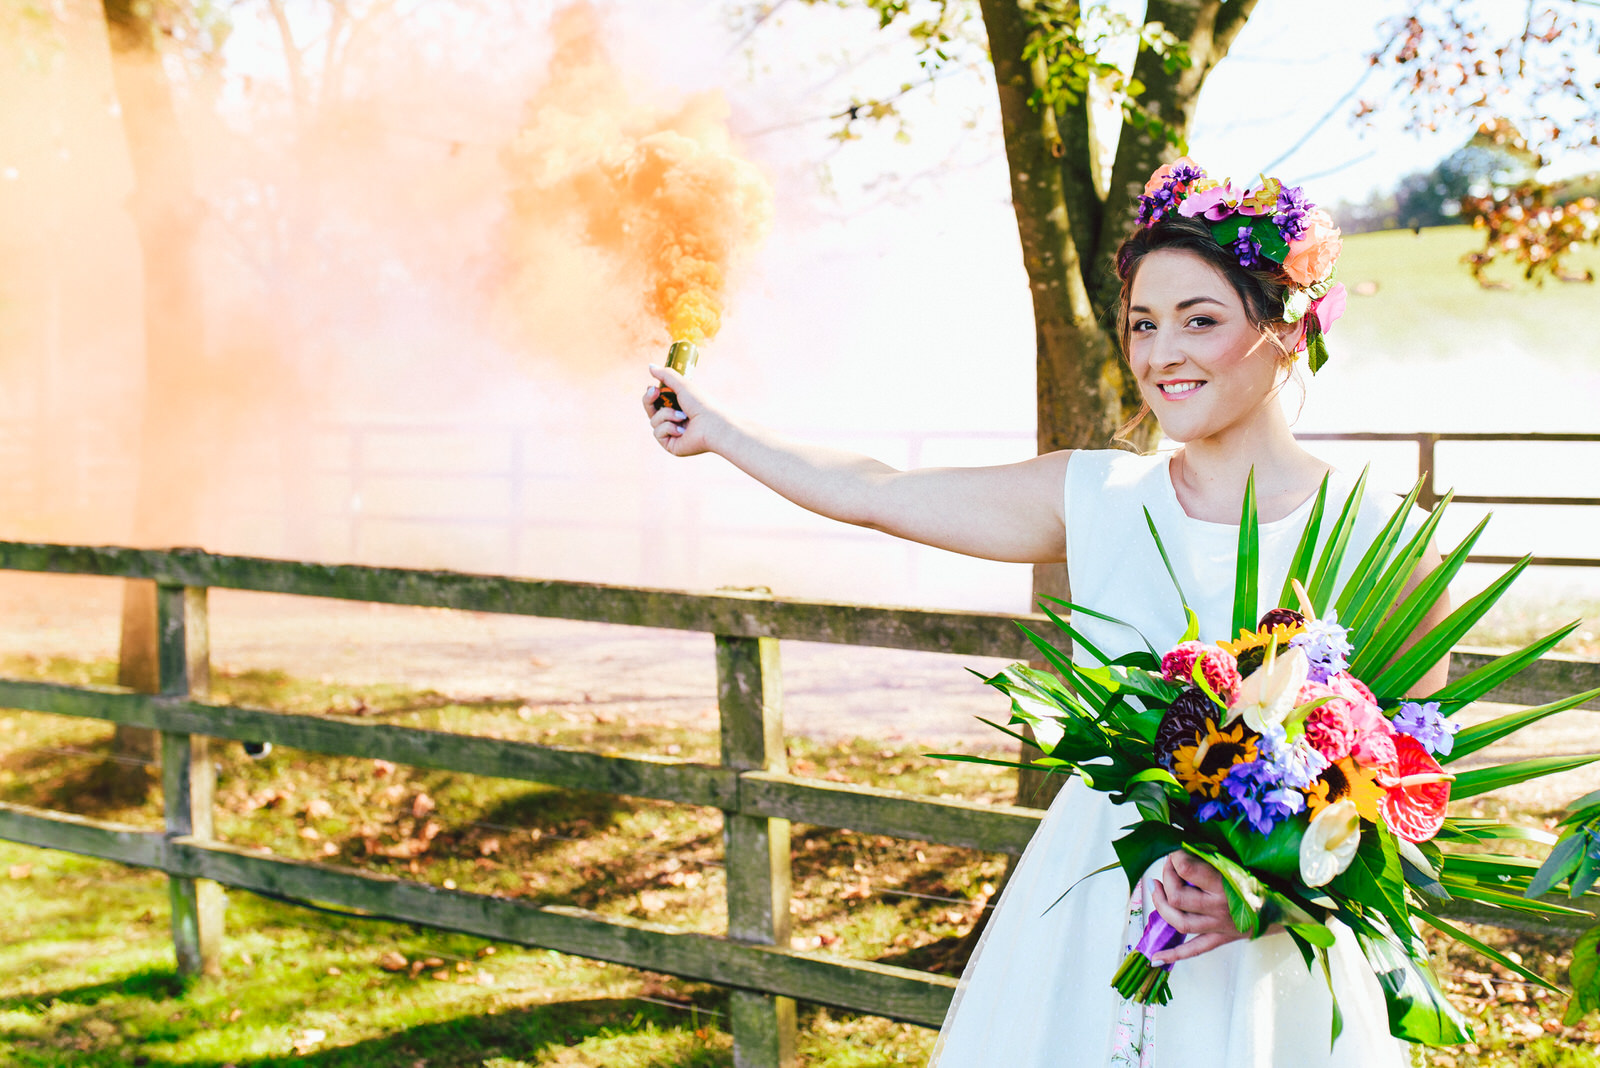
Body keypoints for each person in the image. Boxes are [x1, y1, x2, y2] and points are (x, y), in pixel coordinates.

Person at [641, 159, 1449, 1066]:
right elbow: (880, 491)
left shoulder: (1382, 537)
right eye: (1142, 324)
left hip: (1278, 955)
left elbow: (1414, 787)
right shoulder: (1098, 496)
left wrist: (1263, 888)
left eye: (1201, 320)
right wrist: (721, 432)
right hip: (1098, 899)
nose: (1160, 354)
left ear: (1289, 327)